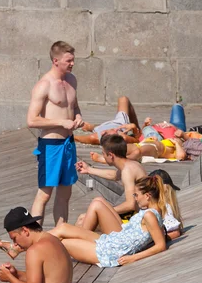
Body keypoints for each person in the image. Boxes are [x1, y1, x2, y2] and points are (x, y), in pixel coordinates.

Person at [48, 175, 167, 267]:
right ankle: (31, 245)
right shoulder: (153, 213)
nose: (135, 199)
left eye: (136, 195)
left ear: (147, 196)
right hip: (110, 241)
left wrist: (133, 258)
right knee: (63, 227)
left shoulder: (150, 215)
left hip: (110, 253)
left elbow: (161, 245)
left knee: (63, 243)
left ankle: (36, 256)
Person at [26, 41, 83, 226]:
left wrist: (78, 116)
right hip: (51, 145)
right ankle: (36, 237)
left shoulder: (71, 80)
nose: (72, 64)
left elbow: (74, 106)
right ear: (56, 60)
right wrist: (61, 122)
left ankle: (61, 233)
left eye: (73, 60)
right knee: (45, 193)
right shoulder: (44, 85)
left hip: (68, 143)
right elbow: (32, 120)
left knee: (65, 193)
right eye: (69, 60)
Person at [76, 134, 147, 227]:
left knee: (83, 221)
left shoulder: (127, 171)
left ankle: (83, 239)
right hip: (138, 213)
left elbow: (131, 204)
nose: (103, 157)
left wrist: (106, 210)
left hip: (138, 218)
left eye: (104, 154)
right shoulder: (131, 164)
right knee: (83, 217)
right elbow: (114, 175)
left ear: (110, 155)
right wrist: (89, 170)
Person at [75, 96, 141, 146]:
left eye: (114, 131)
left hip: (99, 128)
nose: (116, 130)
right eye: (117, 132)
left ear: (103, 133)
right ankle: (139, 129)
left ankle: (91, 127)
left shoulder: (94, 137)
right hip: (120, 123)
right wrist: (134, 127)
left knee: (85, 126)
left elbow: (75, 138)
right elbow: (137, 140)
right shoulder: (123, 137)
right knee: (123, 99)